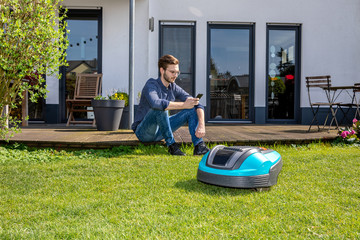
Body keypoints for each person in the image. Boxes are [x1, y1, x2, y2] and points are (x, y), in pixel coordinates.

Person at [131, 55, 210, 156]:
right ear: (162, 70)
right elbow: (156, 103)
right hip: (144, 132)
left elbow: (197, 104)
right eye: (172, 72)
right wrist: (184, 105)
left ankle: (199, 146)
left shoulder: (173, 87)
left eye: (177, 72)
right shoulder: (151, 84)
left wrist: (201, 126)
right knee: (160, 108)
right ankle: (172, 146)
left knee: (191, 110)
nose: (175, 75)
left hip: (161, 130)